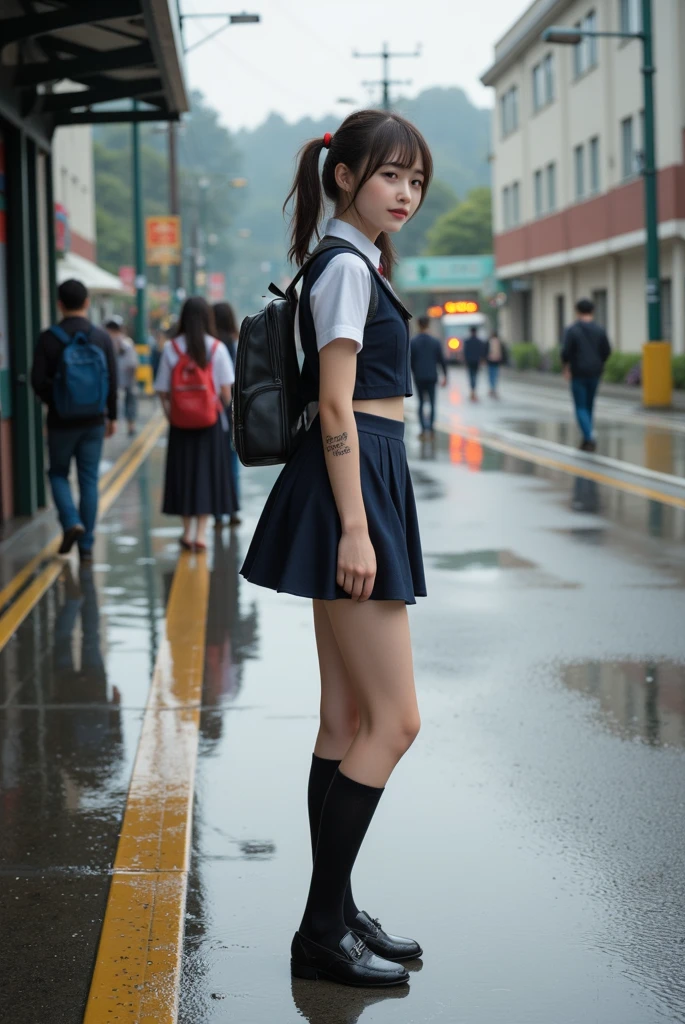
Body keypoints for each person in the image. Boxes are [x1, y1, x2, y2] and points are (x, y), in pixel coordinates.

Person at [240, 110, 432, 988]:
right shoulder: (347, 268)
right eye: (391, 175)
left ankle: (336, 911)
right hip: (353, 486)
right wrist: (357, 527)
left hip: (353, 483)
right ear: (345, 174)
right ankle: (323, 926)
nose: (406, 192)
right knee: (394, 723)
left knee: (341, 721)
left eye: (416, 180)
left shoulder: (349, 263)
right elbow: (338, 405)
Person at [31, 278, 117, 565]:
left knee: (57, 473)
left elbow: (37, 381)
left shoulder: (48, 338)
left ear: (59, 304)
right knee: (89, 479)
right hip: (94, 420)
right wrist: (112, 416)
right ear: (87, 303)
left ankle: (70, 522)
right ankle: (87, 547)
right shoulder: (101, 337)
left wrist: (56, 402)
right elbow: (113, 381)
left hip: (60, 420)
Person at [154, 296, 237, 551]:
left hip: (180, 425)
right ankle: (201, 535)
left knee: (182, 476)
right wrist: (220, 413)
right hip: (210, 425)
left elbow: (163, 391)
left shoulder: (171, 348)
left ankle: (187, 532)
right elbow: (226, 392)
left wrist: (172, 416)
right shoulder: (216, 348)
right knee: (206, 476)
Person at [561, 298, 611, 452]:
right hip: (595, 372)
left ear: (577, 311)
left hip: (578, 371)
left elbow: (566, 352)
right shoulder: (600, 329)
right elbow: (607, 350)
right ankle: (586, 437)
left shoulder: (573, 330)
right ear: (592, 311)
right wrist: (599, 363)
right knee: (589, 405)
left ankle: (589, 437)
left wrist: (566, 367)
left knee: (580, 406)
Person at [213, 301, 242, 526]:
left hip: (210, 411)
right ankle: (233, 510)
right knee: (232, 461)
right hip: (230, 407)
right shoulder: (233, 341)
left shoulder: (210, 344)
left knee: (214, 463)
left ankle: (217, 514)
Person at [410, 314, 447, 440]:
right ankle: (430, 429)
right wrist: (445, 376)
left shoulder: (413, 342)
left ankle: (422, 429)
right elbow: (442, 360)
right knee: (432, 403)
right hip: (432, 376)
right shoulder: (435, 342)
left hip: (419, 377)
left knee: (420, 403)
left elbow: (410, 362)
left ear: (418, 325)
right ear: (428, 325)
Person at [105, 316, 138, 436]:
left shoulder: (124, 343)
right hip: (119, 379)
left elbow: (132, 364)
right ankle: (126, 426)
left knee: (127, 402)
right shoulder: (113, 341)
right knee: (123, 402)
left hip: (124, 378)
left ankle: (130, 426)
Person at [463, 325, 485, 402]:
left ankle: (472, 391)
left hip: (469, 361)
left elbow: (465, 352)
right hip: (476, 361)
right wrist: (482, 360)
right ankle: (473, 391)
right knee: (475, 376)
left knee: (471, 376)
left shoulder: (467, 341)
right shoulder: (479, 341)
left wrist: (465, 361)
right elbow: (482, 352)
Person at [486, 331, 507, 399]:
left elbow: (486, 351)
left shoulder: (489, 342)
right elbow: (503, 352)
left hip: (490, 361)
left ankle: (492, 388)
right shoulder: (499, 342)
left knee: (491, 375)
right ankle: (494, 388)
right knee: (495, 375)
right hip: (497, 361)